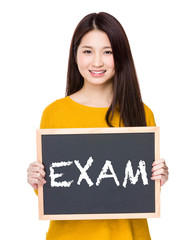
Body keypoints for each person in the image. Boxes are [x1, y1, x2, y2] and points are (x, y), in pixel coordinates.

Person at [27, 12, 169, 240]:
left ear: (121, 56)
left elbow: (140, 189)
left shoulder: (142, 113)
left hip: (128, 235)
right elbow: (55, 192)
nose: (97, 62)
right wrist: (37, 180)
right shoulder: (54, 113)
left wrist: (158, 178)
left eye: (108, 52)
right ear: (75, 55)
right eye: (87, 51)